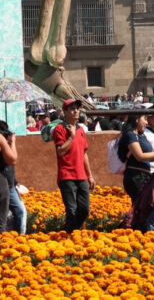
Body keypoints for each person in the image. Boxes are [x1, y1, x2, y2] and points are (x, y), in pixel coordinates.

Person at [52, 99, 95, 232]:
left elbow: (84, 154)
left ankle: (68, 231)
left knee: (84, 210)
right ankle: (70, 237)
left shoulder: (81, 129)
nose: (76, 111)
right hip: (67, 176)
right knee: (71, 211)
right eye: (72, 108)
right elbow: (60, 152)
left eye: (77, 108)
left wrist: (90, 175)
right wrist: (71, 137)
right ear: (65, 112)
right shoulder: (59, 129)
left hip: (81, 176)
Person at [119, 113, 154, 219]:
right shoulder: (130, 135)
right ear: (136, 119)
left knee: (142, 208)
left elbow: (149, 156)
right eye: (144, 119)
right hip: (136, 176)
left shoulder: (141, 135)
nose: (147, 122)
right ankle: (132, 230)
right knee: (139, 209)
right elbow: (139, 156)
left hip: (143, 176)